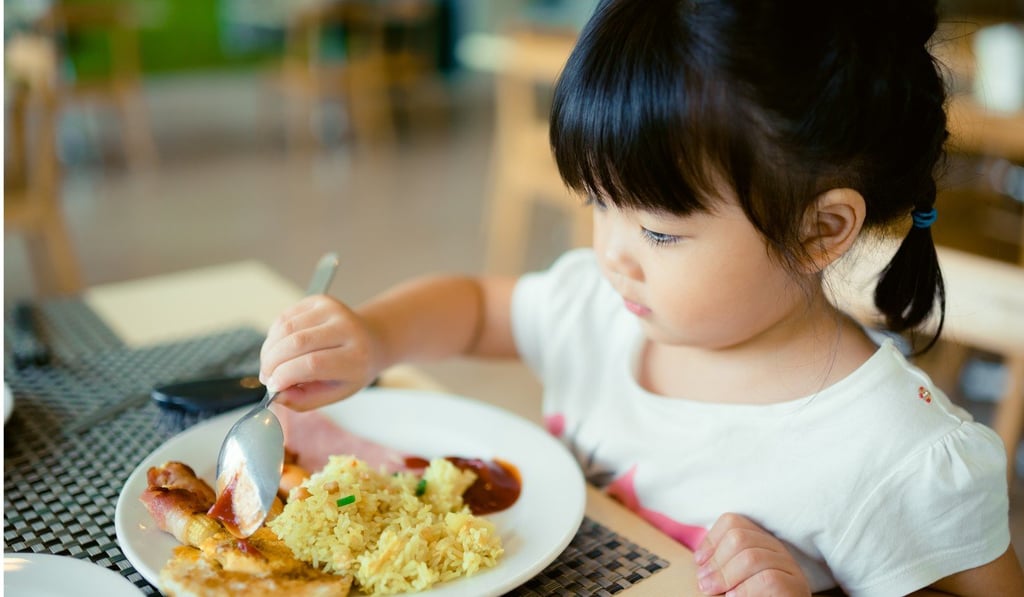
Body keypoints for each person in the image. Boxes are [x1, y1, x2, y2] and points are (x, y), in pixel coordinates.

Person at [258, 0, 1024, 594]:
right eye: (597, 203)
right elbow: (480, 306)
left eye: (658, 232)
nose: (612, 252)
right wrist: (376, 338)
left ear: (822, 228)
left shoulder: (893, 454)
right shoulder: (604, 306)